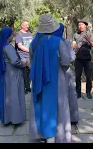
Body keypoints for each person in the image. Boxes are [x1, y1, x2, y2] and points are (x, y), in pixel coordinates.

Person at [29, 14, 72, 143]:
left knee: (39, 104)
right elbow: (66, 62)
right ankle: (58, 136)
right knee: (59, 105)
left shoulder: (34, 42)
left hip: (38, 79)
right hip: (56, 78)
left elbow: (31, 59)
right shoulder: (58, 41)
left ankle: (40, 134)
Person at [0, 27, 27, 125]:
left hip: (5, 73)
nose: (12, 36)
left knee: (7, 95)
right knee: (13, 94)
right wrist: (24, 63)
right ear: (8, 36)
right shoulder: (8, 47)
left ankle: (7, 118)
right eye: (11, 34)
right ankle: (15, 118)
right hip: (12, 73)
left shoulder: (1, 46)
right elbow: (14, 61)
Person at [53, 23, 79, 125]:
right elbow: (72, 57)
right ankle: (72, 117)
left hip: (54, 72)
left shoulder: (49, 42)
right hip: (65, 70)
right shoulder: (64, 42)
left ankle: (58, 118)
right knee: (69, 94)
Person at [72, 19, 93, 99]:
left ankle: (88, 92)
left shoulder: (89, 34)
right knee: (78, 76)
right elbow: (73, 45)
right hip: (78, 58)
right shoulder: (76, 34)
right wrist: (75, 45)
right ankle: (78, 92)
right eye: (79, 25)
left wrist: (88, 39)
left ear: (85, 25)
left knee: (88, 76)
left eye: (81, 24)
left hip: (87, 58)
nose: (80, 26)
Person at [15, 20, 33, 94]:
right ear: (22, 25)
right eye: (26, 25)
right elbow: (20, 45)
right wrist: (29, 50)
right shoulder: (19, 34)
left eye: (28, 25)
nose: (27, 26)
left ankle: (29, 87)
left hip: (30, 57)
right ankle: (23, 88)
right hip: (23, 56)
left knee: (30, 73)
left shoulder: (29, 33)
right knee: (23, 73)